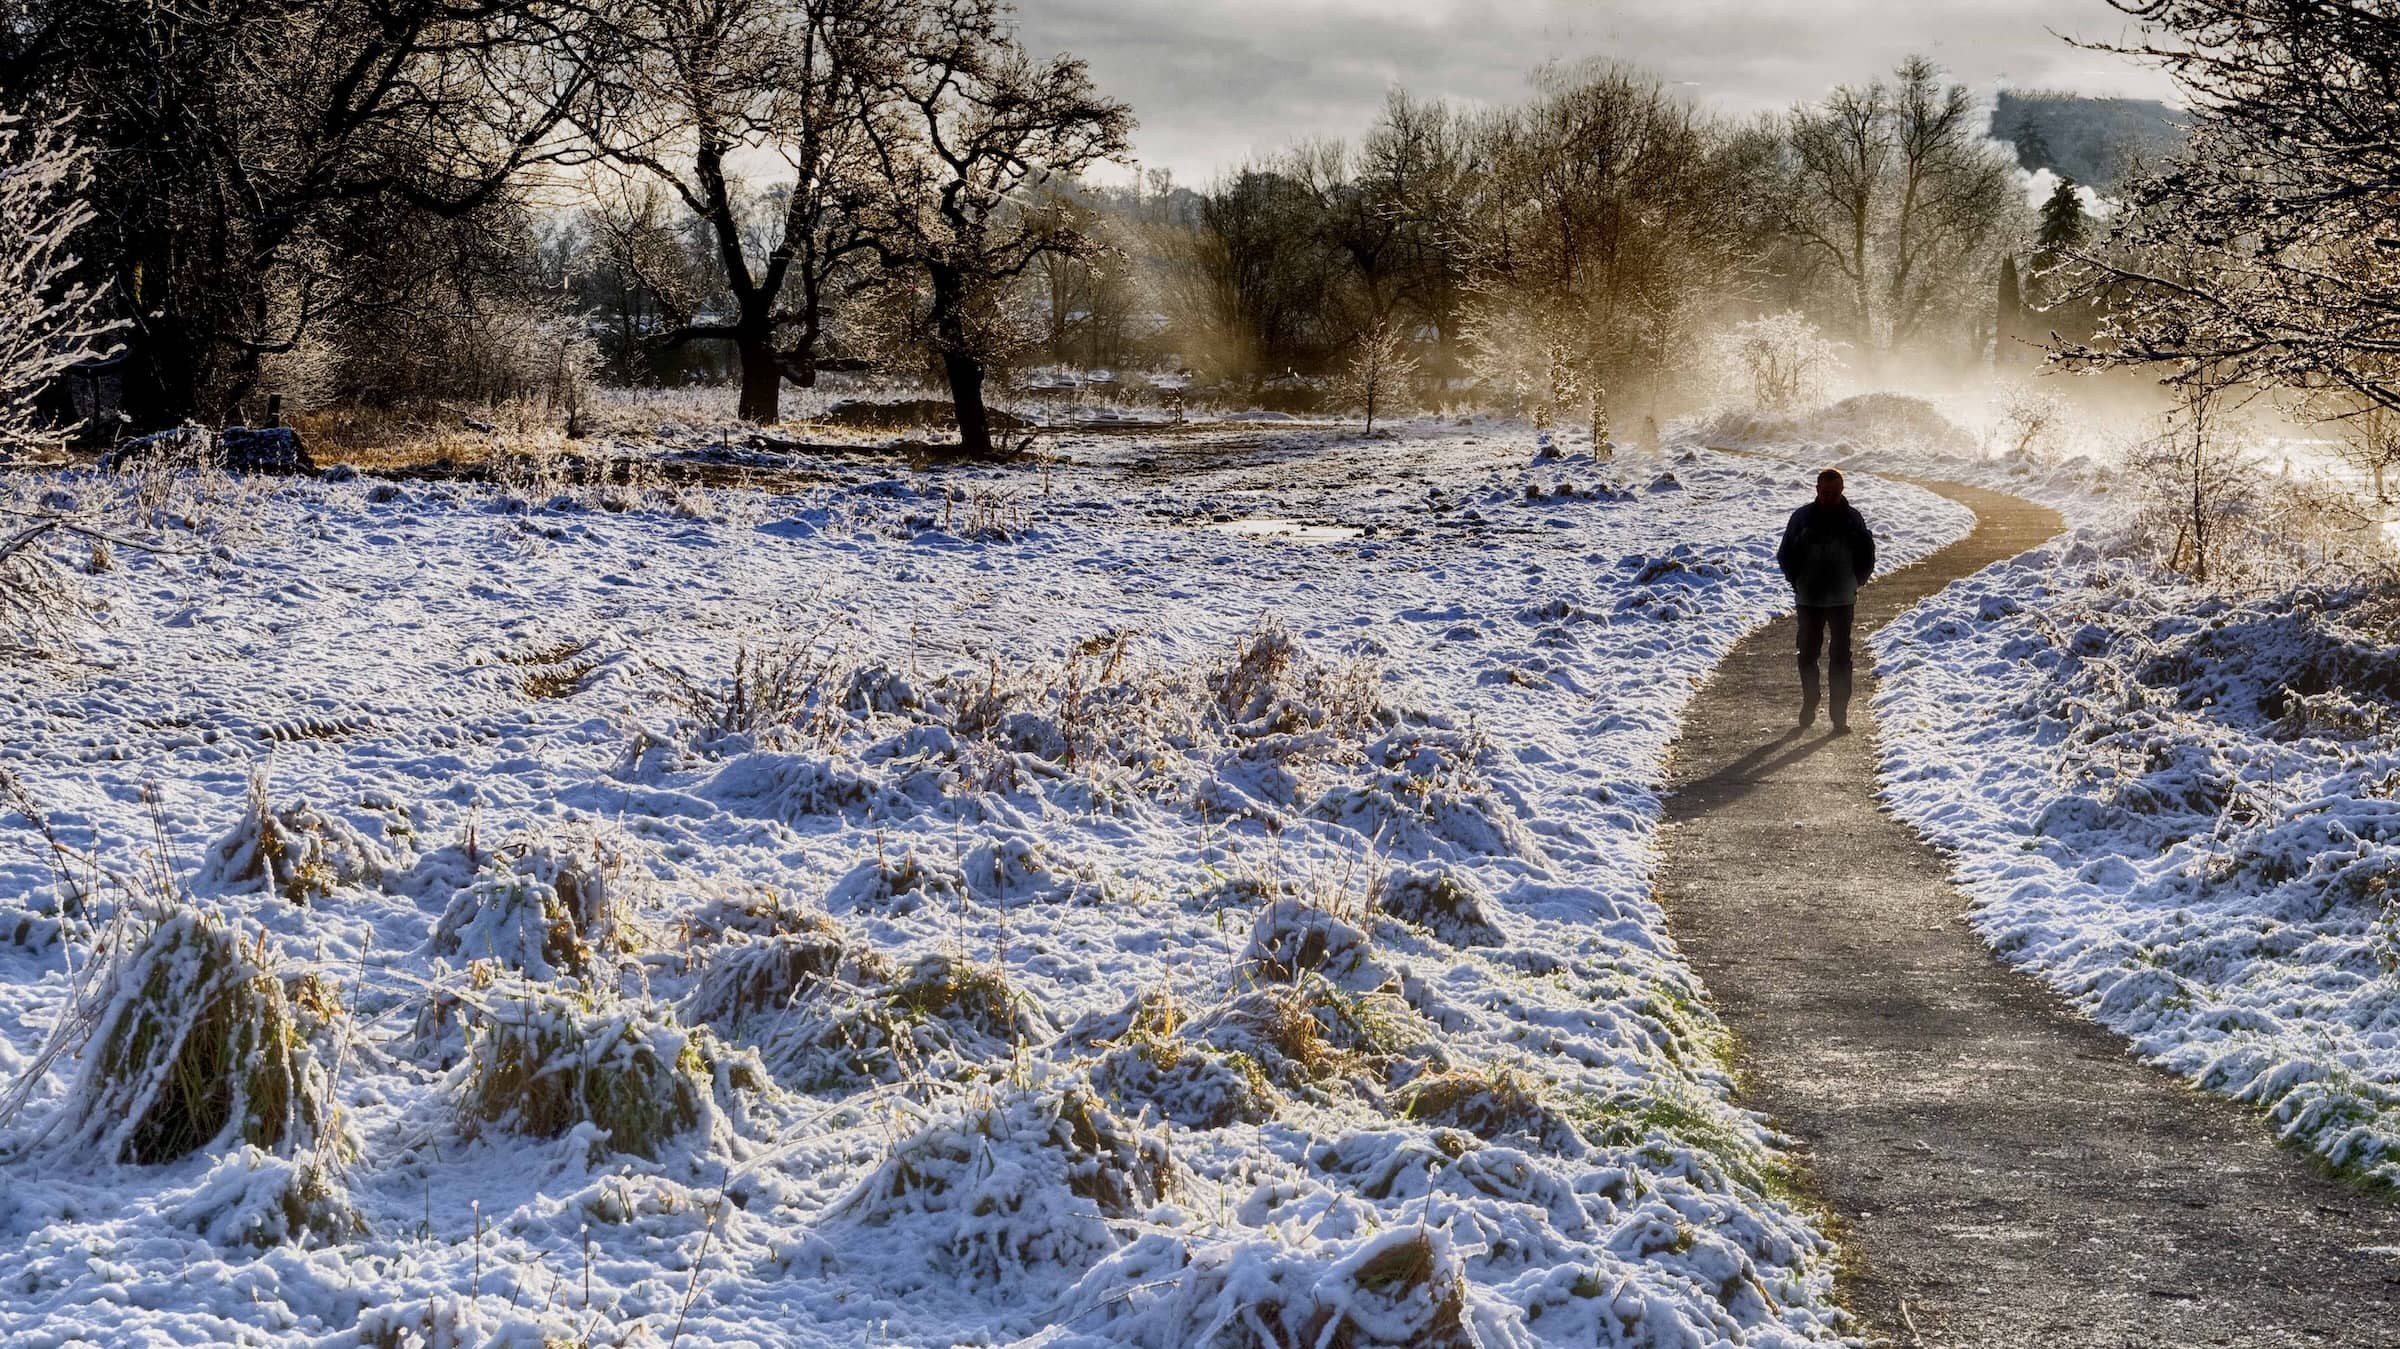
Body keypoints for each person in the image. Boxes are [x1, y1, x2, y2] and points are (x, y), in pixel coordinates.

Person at [1775, 468, 1877, 733]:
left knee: (1841, 656)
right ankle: (1811, 699)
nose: (1829, 497)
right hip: (1809, 598)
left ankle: (1839, 715)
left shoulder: (1853, 520)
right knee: (1807, 653)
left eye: (1834, 492)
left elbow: (1867, 554)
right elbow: (1785, 554)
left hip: (1843, 598)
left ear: (1842, 491)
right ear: (1816, 489)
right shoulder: (1802, 518)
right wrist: (1796, 581)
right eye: (1825, 492)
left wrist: (1857, 581)